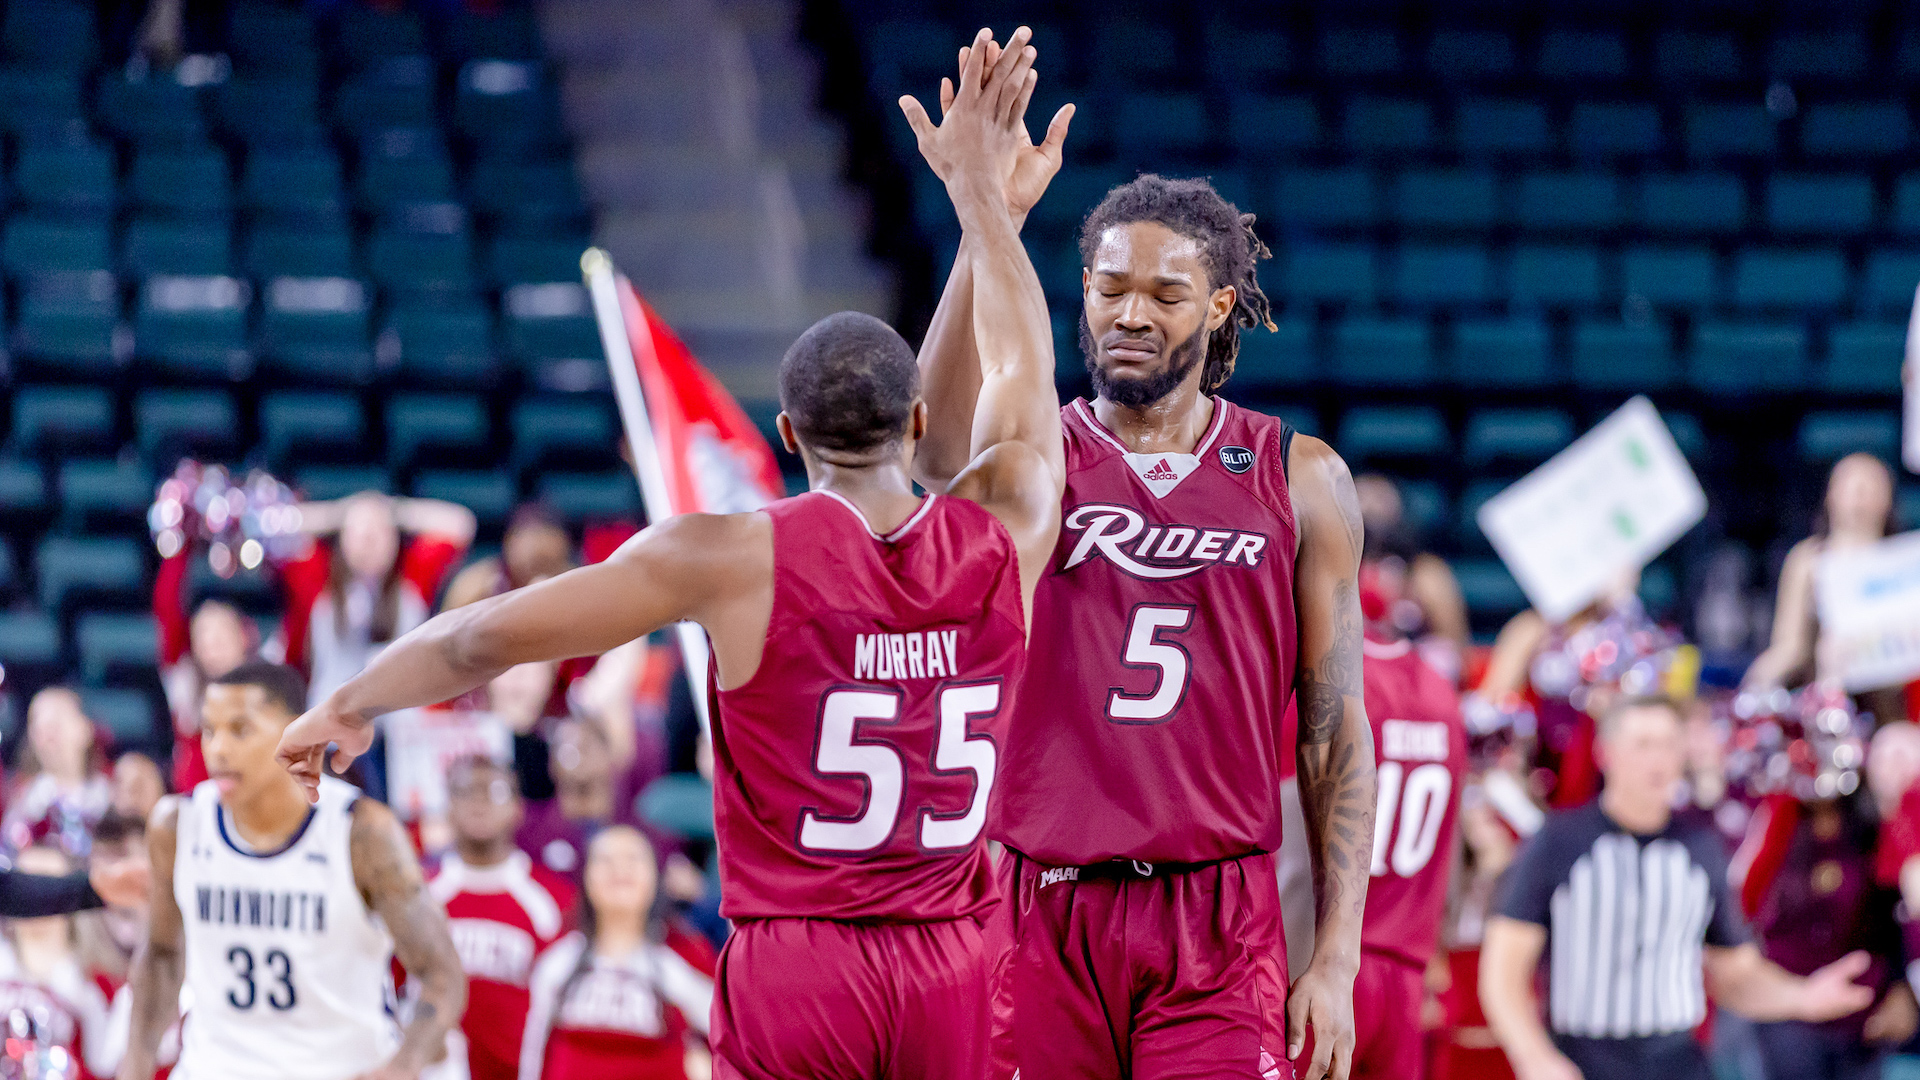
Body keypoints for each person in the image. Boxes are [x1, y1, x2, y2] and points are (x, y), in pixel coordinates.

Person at [279, 32, 1061, 1080]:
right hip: (957, 960)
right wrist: (986, 214)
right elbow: (1023, 365)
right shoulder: (1007, 524)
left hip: (804, 962)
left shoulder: (731, 555)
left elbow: (481, 639)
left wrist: (354, 703)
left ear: (784, 436)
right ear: (918, 419)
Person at [905, 32, 1375, 1080]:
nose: (1128, 313)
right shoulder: (1036, 451)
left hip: (1216, 913)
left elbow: (1335, 730)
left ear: (1216, 308)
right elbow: (931, 449)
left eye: (1164, 295)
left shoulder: (1300, 476)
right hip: (1041, 903)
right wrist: (992, 223)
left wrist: (1335, 956)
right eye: (1109, 287)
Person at [1480, 695, 1877, 1080]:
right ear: (1607, 753)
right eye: (1643, 744)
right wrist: (1534, 1057)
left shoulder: (1701, 847)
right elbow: (1503, 971)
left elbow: (1733, 975)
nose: (1658, 759)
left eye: (1670, 744)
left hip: (1676, 1060)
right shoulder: (1559, 841)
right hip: (1582, 1057)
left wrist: (1802, 997)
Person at [119, 662, 468, 1080]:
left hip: (340, 1068)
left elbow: (441, 973)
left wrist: (403, 1067)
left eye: (240, 729)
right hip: (214, 1067)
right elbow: (160, 955)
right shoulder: (177, 825)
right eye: (210, 730)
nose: (218, 750)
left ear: (297, 731)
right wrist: (135, 1068)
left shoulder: (360, 831)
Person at [1349, 630, 1466, 1080]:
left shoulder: (1329, 674)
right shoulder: (1439, 689)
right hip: (1408, 971)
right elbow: (1451, 849)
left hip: (1327, 961)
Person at [518, 827, 712, 1080]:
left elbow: (732, 1037)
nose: (620, 870)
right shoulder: (557, 959)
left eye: (633, 859)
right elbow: (530, 1057)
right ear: (584, 877)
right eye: (606, 860)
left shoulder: (686, 957)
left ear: (657, 877)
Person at [430, 756, 575, 1080]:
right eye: (466, 791)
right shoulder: (418, 893)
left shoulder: (554, 900)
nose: (479, 801)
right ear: (447, 806)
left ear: (517, 809)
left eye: (494, 791)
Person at [1745, 452, 1906, 723]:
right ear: (1830, 495)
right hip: (1823, 695)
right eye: (1850, 485)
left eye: (1869, 486)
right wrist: (1754, 684)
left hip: (1888, 701)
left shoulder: (1902, 562)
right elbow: (1789, 646)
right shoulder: (1808, 559)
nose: (1859, 495)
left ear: (1887, 499)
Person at [0, 844, 119, 1079]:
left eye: (46, 885)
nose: (34, 898)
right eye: (25, 884)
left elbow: (103, 1067)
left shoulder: (96, 985)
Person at [1354, 473, 1469, 679]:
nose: (1371, 507)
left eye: (1379, 497)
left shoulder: (1426, 572)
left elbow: (1456, 649)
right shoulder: (1338, 570)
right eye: (1363, 496)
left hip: (1415, 683)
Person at [4, 687, 112, 858]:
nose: (46, 727)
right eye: (37, 721)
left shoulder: (112, 798)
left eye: (57, 718)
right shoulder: (24, 803)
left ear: (86, 728)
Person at [442, 506, 577, 613]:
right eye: (532, 561)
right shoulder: (475, 583)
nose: (534, 568)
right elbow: (444, 634)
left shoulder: (575, 583)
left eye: (545, 562)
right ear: (509, 543)